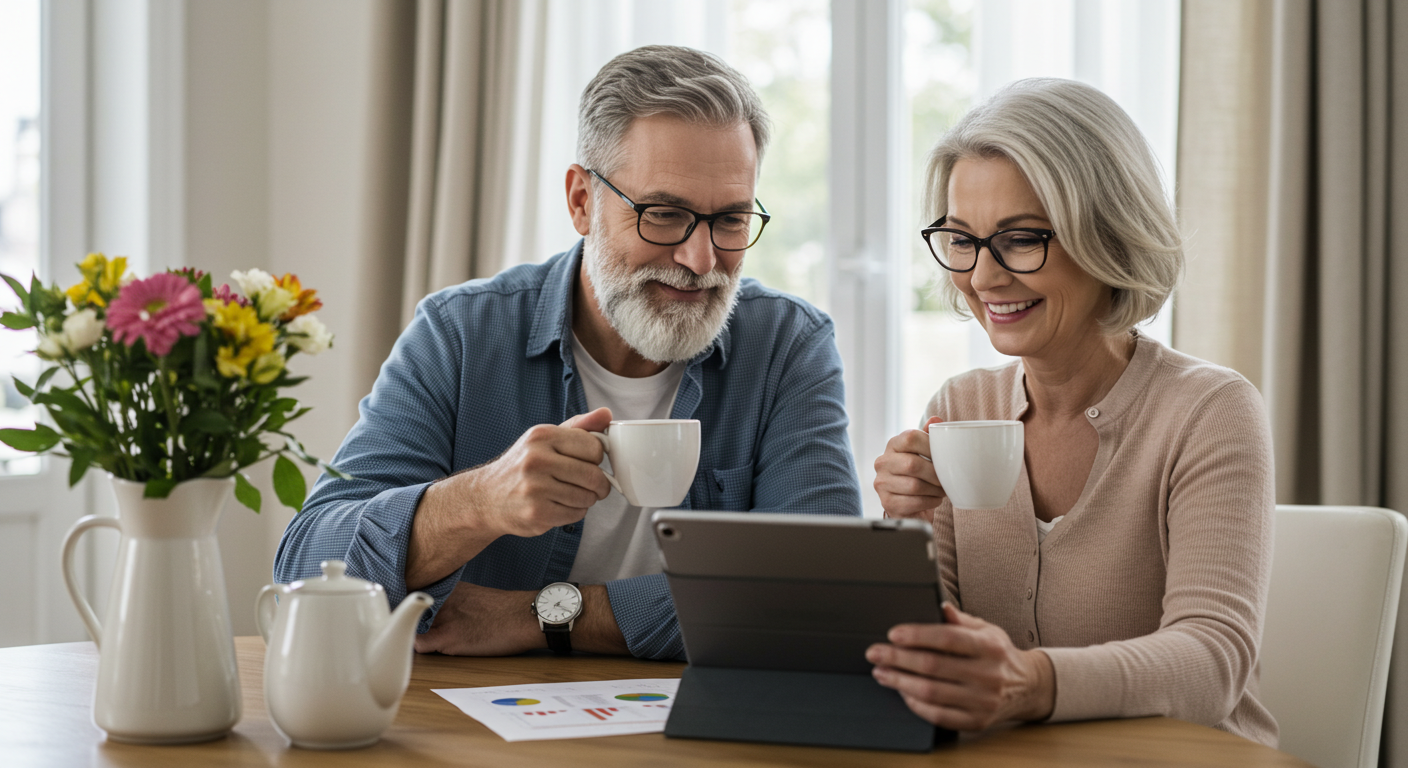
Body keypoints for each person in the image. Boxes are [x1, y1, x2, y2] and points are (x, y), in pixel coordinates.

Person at [273, 45, 861, 661]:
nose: (701, 260)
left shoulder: (787, 346)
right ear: (582, 201)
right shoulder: (461, 334)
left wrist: (549, 616)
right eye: (663, 215)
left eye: (731, 220)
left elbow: (822, 593)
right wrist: (477, 503)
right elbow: (306, 573)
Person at [869, 78, 1277, 746]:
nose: (983, 277)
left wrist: (1033, 684)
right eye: (961, 239)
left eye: (1021, 239)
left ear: (1108, 235)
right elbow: (926, 652)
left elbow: (1212, 662)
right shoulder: (960, 407)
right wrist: (903, 526)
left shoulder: (1209, 411)